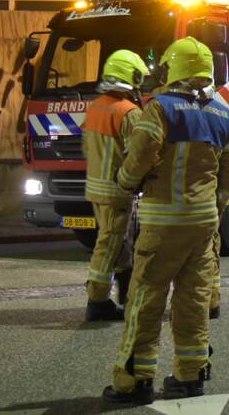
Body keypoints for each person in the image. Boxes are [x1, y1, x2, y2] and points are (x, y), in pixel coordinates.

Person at [103, 37, 229, 405]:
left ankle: (133, 380)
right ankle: (190, 374)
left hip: (164, 222)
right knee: (193, 299)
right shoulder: (224, 115)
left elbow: (143, 152)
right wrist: (217, 204)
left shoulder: (160, 109)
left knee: (145, 299)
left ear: (172, 69)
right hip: (204, 225)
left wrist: (126, 182)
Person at [83, 49, 149, 322]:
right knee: (109, 243)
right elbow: (138, 155)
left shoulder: (96, 106)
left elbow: (87, 149)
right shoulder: (129, 113)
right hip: (117, 191)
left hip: (96, 188)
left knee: (117, 240)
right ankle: (97, 301)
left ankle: (124, 290)